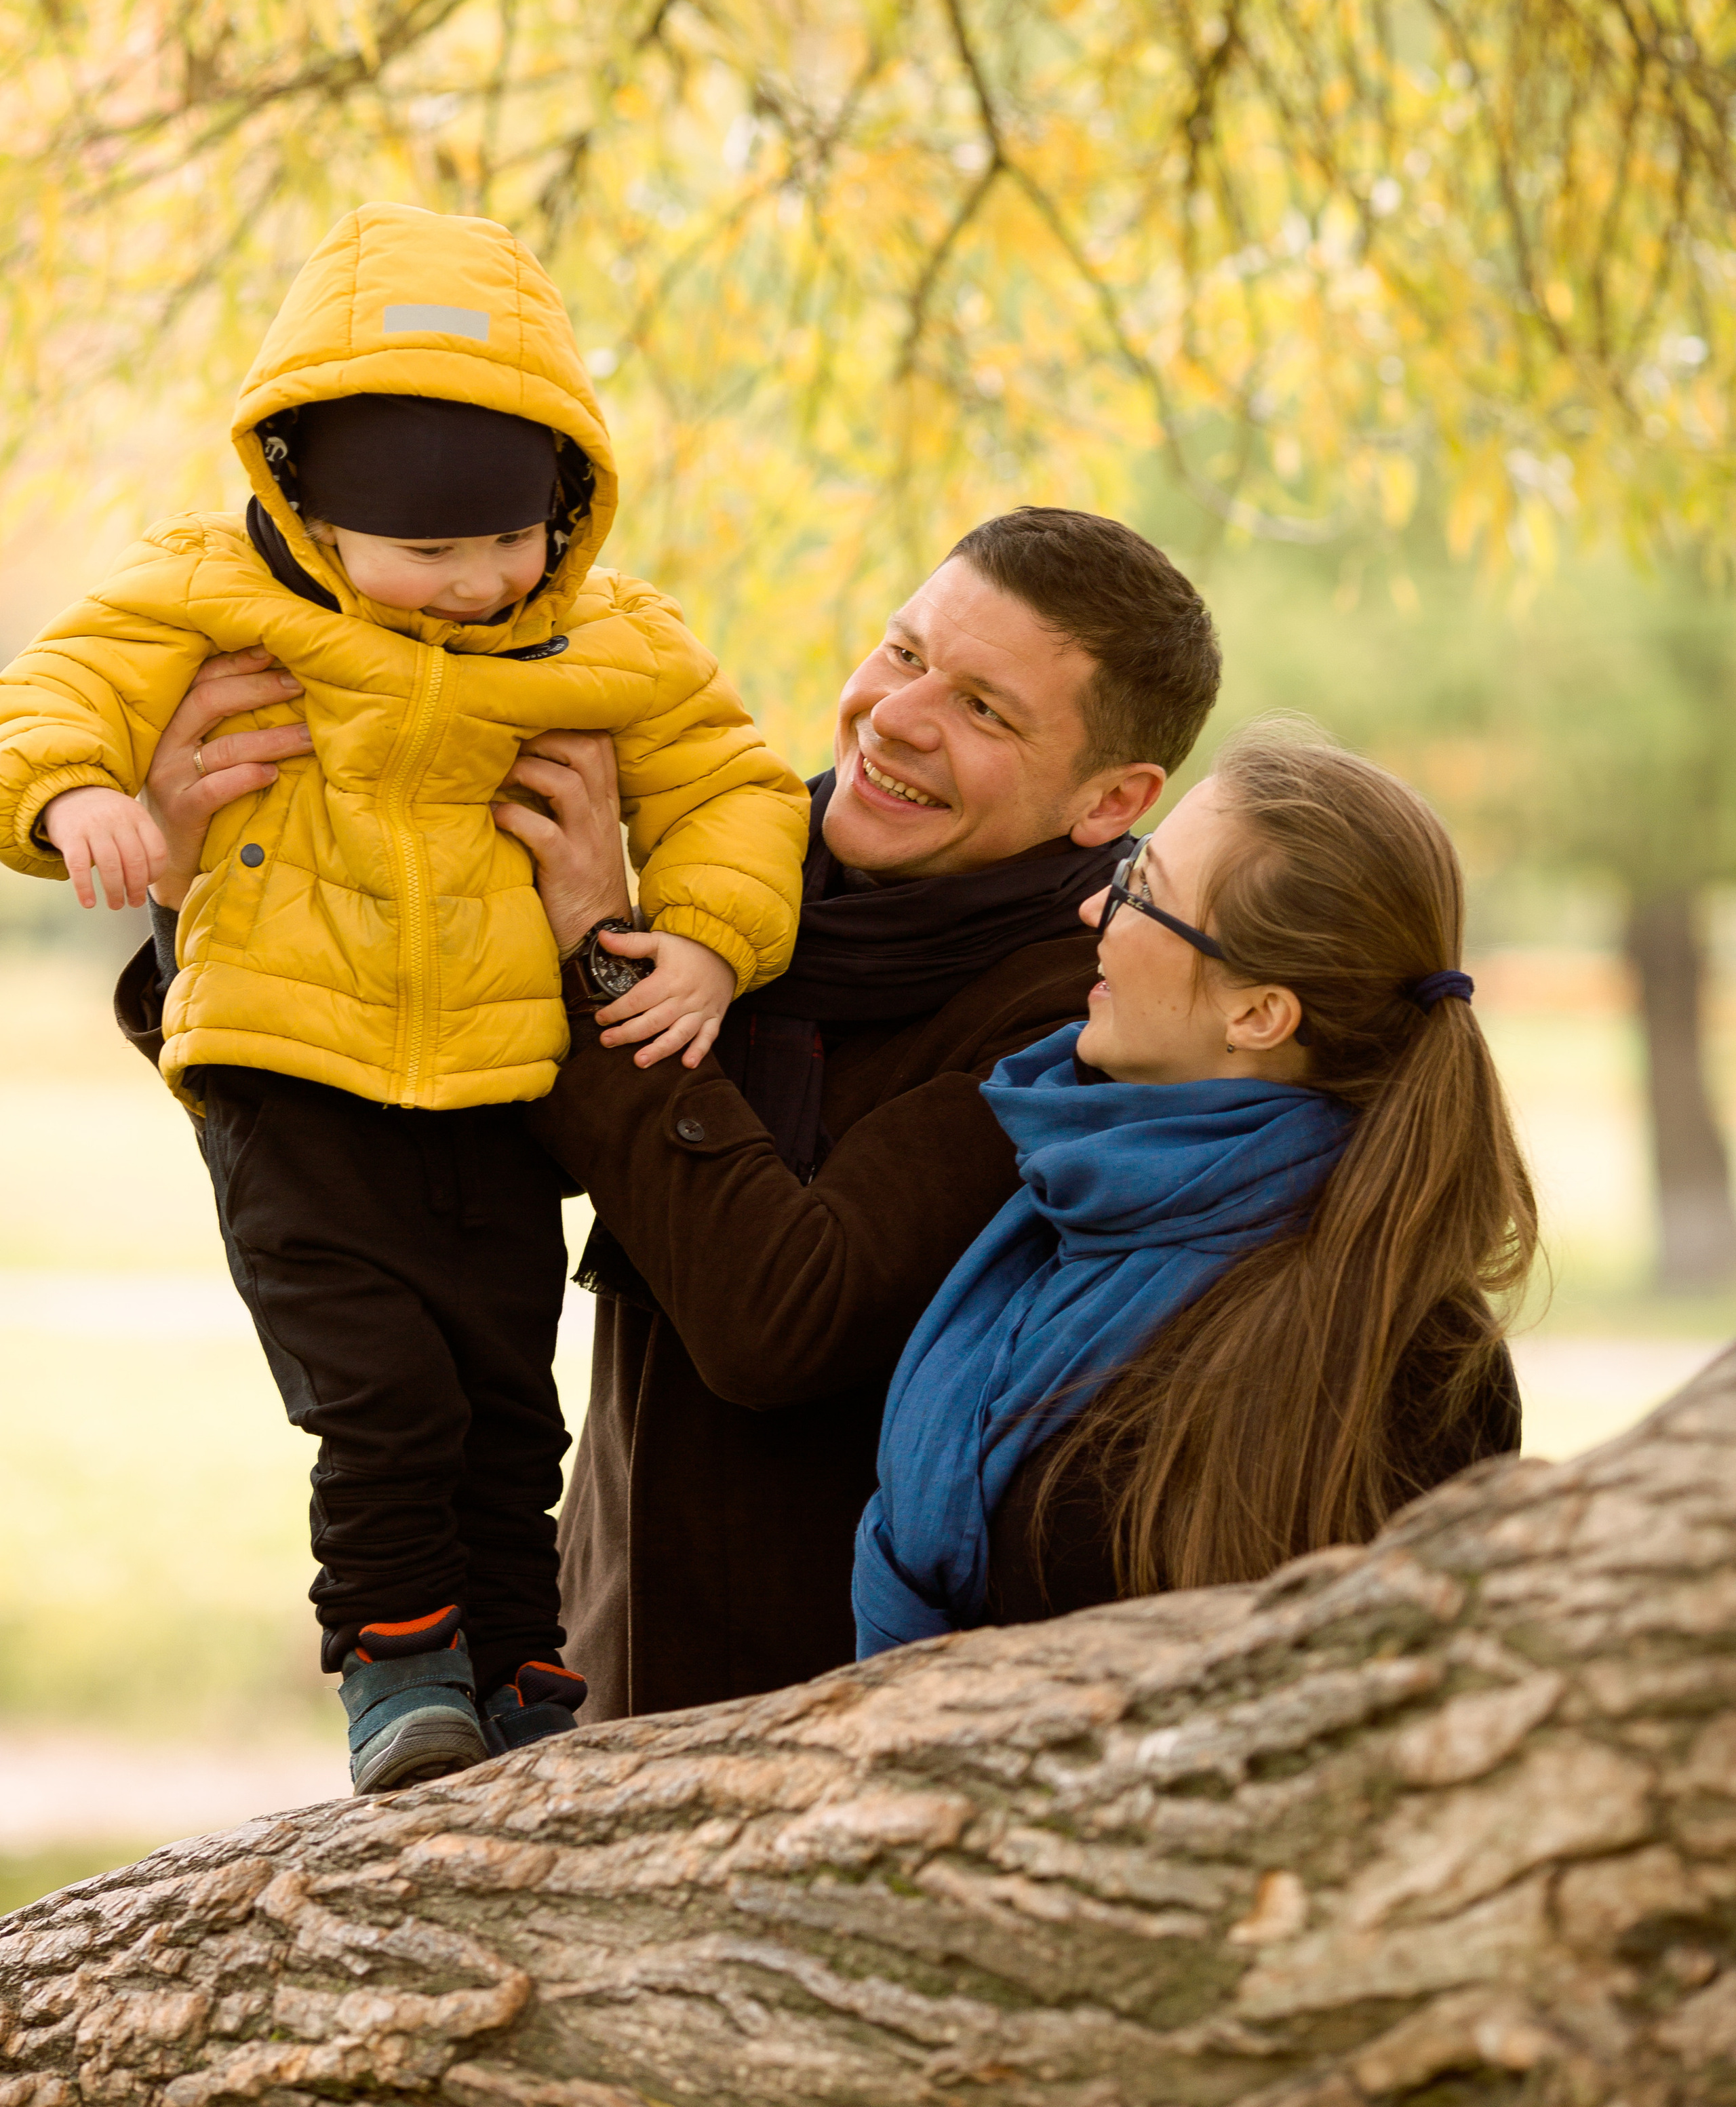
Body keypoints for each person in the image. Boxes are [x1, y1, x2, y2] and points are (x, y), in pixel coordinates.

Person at [119, 505, 1224, 1720]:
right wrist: (191, 895)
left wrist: (599, 948)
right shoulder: (733, 880)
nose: (897, 716)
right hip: (596, 1670)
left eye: (985, 709)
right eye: (906, 654)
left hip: (848, 1719)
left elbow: (782, 1321)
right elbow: (404, 1159)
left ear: (1112, 802)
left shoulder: (1091, 1017)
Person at [2, 200, 809, 1790]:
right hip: (283, 1068)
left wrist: (709, 932)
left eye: (510, 542)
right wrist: (73, 795)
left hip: (502, 1096)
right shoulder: (211, 592)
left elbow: (730, 782)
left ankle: (517, 1674)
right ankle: (395, 1664)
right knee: (378, 1390)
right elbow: (58, 684)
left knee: (507, 1400)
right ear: (304, 498)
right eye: (430, 554)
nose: (475, 582)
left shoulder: (605, 636)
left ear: (565, 502)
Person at [854, 727, 1531, 1653]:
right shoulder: (1058, 1200)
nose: (1096, 909)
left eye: (1142, 893)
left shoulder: (1410, 1356)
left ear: (1258, 1015)